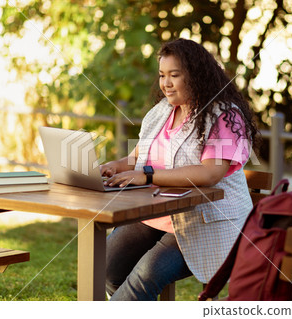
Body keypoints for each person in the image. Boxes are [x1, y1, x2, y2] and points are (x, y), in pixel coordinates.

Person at [100, 38, 261, 301]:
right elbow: (136, 158)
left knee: (143, 278)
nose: (166, 83)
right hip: (158, 215)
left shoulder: (224, 116)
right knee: (105, 267)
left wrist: (148, 175)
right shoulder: (161, 112)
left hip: (205, 221)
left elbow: (210, 173)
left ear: (196, 75)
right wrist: (109, 167)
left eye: (174, 75)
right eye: (163, 75)